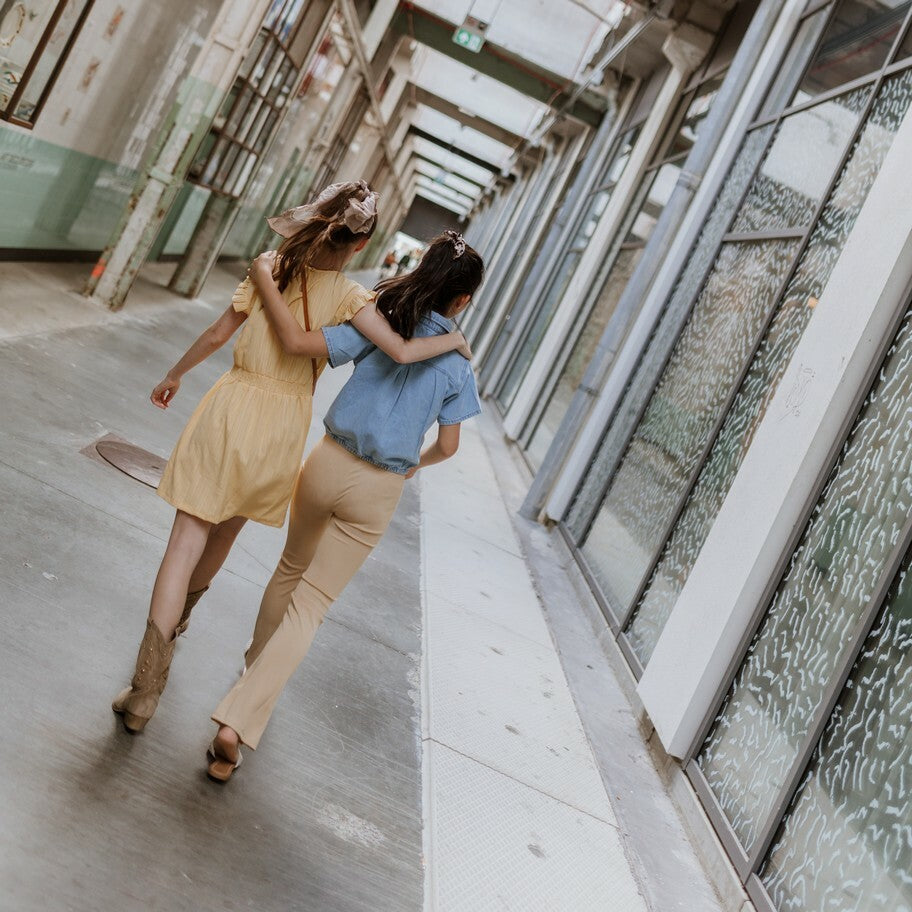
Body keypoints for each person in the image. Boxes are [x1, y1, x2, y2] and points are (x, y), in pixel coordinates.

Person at [112, 183, 470, 734]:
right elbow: (398, 351)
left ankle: (145, 689)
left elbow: (219, 331)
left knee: (184, 543)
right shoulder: (352, 299)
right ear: (360, 246)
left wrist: (175, 374)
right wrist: (454, 342)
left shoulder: (270, 267)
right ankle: (186, 643)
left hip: (231, 406)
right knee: (224, 537)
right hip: (283, 426)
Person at [205, 230, 484, 781]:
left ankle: (251, 676)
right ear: (462, 300)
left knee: (289, 570)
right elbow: (449, 446)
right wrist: (414, 464)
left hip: (327, 462)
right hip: (379, 487)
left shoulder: (380, 320)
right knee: (311, 604)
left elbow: (316, 346)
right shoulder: (457, 365)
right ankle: (239, 718)